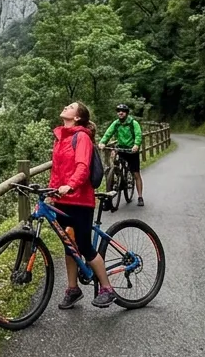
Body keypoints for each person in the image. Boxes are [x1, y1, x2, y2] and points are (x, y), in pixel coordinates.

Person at [49, 101, 117, 309]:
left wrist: (70, 185)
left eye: (70, 107)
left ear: (77, 117)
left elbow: (82, 167)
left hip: (80, 199)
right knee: (69, 245)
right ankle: (73, 289)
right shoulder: (60, 138)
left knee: (85, 246)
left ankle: (107, 288)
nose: (65, 107)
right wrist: (52, 191)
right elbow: (57, 170)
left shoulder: (82, 137)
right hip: (62, 200)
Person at [100, 103, 144, 207]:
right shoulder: (116, 123)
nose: (120, 113)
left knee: (136, 173)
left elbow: (138, 134)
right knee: (114, 165)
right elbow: (108, 133)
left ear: (127, 113)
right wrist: (102, 142)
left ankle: (140, 197)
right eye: (118, 111)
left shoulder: (133, 123)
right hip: (121, 149)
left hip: (131, 150)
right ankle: (116, 180)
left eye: (123, 111)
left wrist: (136, 145)